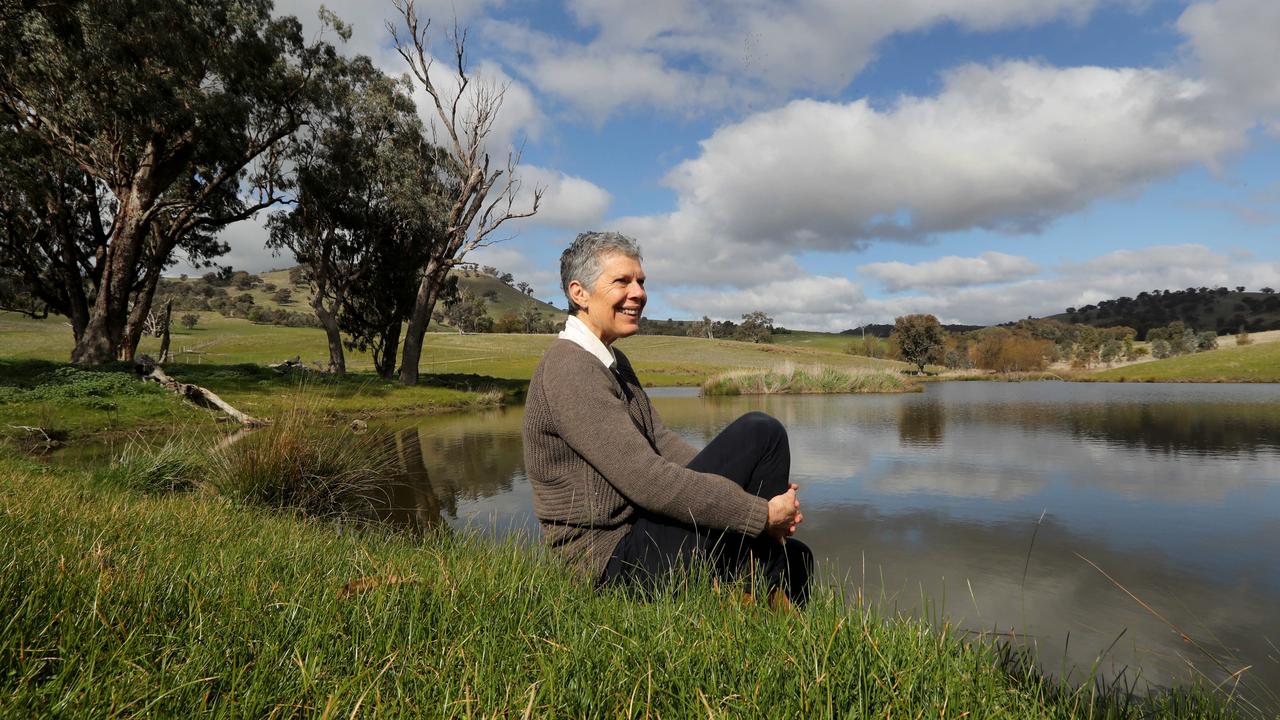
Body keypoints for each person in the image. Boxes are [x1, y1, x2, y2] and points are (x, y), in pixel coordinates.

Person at [522, 231, 812, 605]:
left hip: (639, 536)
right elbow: (646, 478)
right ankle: (753, 593)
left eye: (640, 281)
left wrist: (738, 490)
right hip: (609, 563)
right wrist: (759, 514)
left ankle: (752, 589)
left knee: (798, 559)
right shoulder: (570, 367)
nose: (638, 293)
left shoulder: (612, 363)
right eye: (622, 281)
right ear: (580, 293)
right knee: (762, 432)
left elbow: (663, 444)